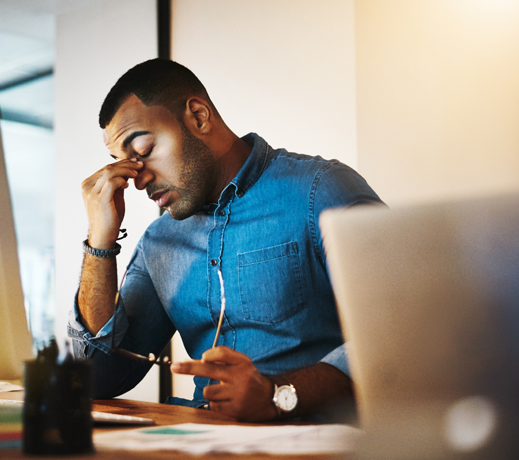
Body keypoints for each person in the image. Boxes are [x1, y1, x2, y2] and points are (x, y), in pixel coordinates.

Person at [69, 58, 382, 422]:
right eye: (123, 163)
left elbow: (401, 335)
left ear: (198, 117)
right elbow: (97, 379)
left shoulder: (321, 191)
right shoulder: (160, 242)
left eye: (143, 151)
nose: (138, 179)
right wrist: (100, 242)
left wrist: (276, 394)